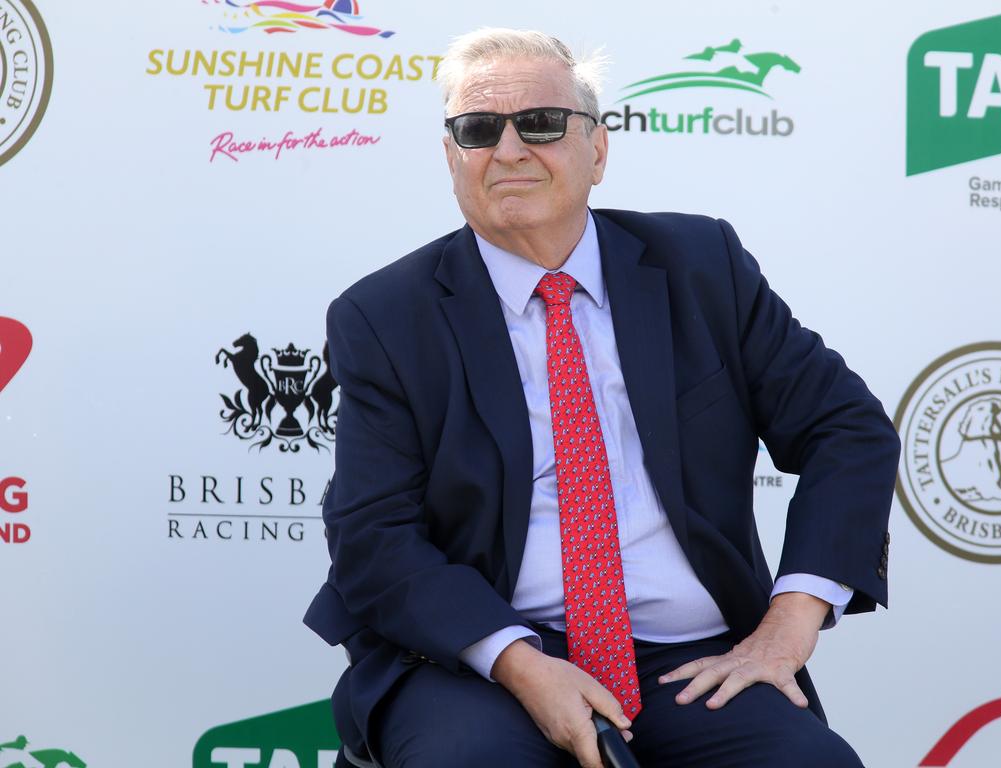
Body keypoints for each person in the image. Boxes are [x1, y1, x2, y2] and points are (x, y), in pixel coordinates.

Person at [304, 27, 900, 768]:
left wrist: (790, 623)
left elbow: (848, 429)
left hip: (692, 659)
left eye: (542, 124)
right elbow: (372, 537)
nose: (511, 149)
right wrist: (521, 663)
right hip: (477, 662)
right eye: (479, 129)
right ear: (452, 156)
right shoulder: (385, 316)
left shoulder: (701, 265)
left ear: (599, 150)